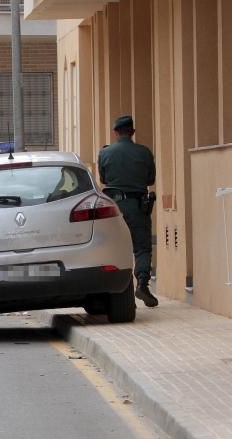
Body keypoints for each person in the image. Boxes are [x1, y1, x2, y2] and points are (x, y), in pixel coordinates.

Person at [98, 115, 159, 307]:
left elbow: (104, 179)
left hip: (113, 208)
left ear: (115, 133)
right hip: (137, 206)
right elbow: (150, 180)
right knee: (142, 247)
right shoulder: (144, 152)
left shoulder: (105, 153)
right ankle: (142, 283)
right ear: (132, 132)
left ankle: (115, 291)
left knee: (114, 247)